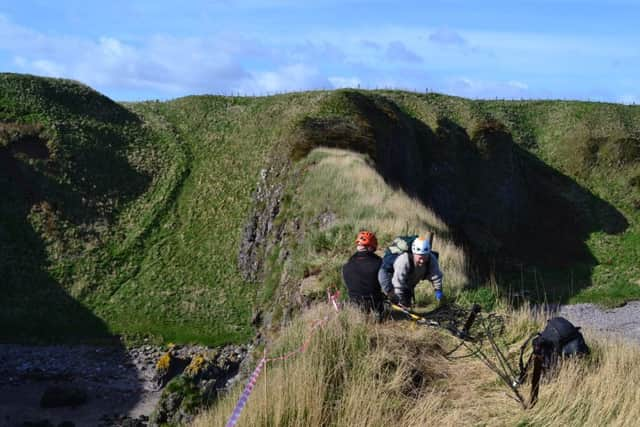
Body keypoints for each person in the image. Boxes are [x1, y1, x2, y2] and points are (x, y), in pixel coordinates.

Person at [379, 235, 444, 307]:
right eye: (420, 258)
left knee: (406, 303)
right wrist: (398, 299)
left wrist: (439, 292)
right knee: (392, 297)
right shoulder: (403, 260)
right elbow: (397, 282)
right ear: (414, 254)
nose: (422, 261)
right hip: (387, 275)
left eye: (424, 257)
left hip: (408, 278)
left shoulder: (431, 259)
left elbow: (436, 276)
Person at [342, 230, 385, 316]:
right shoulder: (379, 263)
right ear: (371, 247)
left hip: (354, 309)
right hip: (375, 309)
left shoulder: (346, 265)